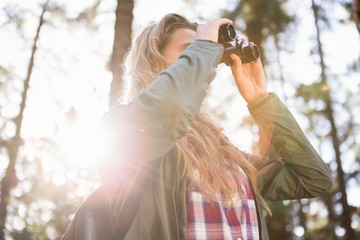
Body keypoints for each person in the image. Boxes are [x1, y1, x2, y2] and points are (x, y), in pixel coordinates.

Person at [61, 13, 332, 240]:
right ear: (155, 62)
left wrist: (261, 101)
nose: (207, 60)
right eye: (190, 51)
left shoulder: (230, 159)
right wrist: (204, 45)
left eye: (205, 51)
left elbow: (314, 179)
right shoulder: (121, 129)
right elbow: (168, 112)